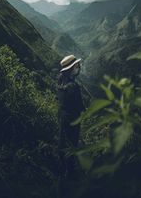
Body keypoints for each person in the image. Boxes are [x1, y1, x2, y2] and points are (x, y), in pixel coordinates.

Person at [57, 54, 85, 197]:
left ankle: (62, 173)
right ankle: (71, 175)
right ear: (71, 69)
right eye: (77, 66)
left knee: (63, 143)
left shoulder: (61, 80)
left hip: (63, 118)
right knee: (72, 145)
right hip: (73, 120)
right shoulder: (73, 87)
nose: (79, 68)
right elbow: (80, 107)